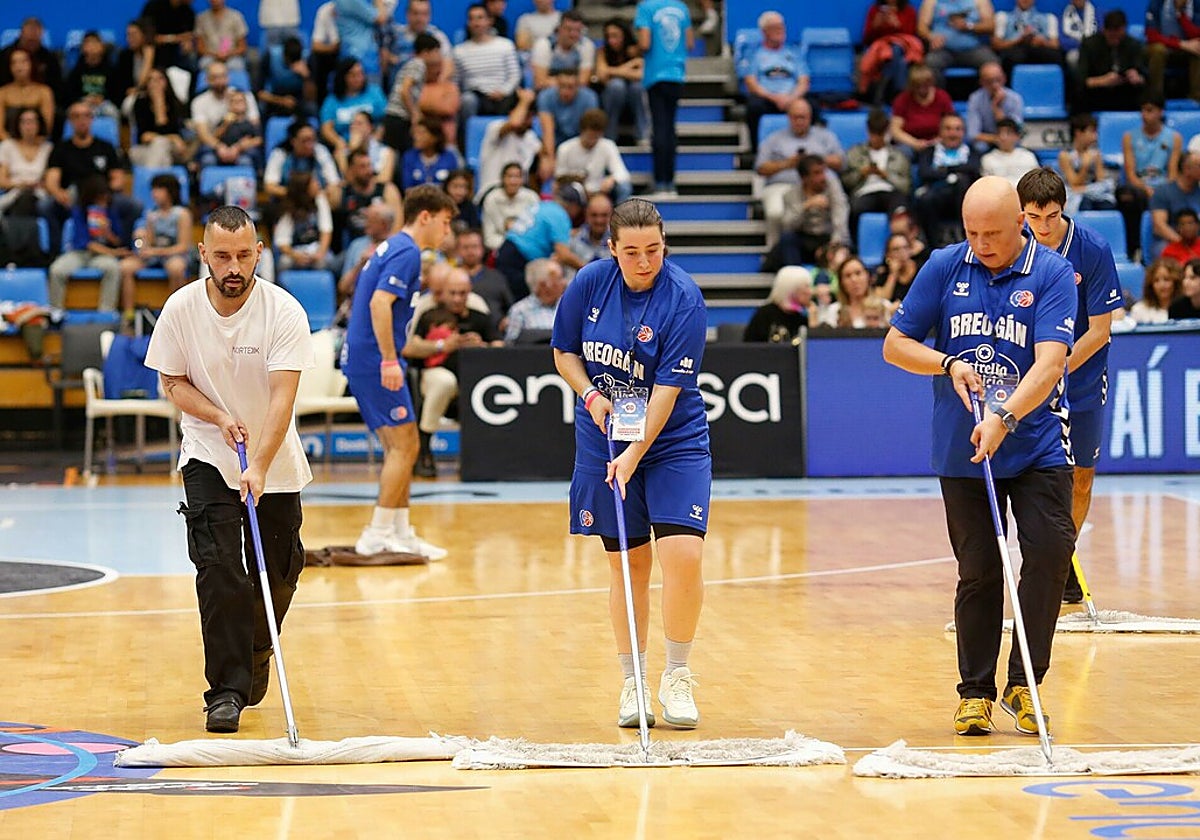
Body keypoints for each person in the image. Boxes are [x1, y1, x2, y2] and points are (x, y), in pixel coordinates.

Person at [883, 175, 1077, 739]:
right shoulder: (946, 265)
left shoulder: (1052, 274)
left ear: (1021, 221)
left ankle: (1024, 681)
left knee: (1048, 554)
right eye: (972, 232)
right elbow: (895, 344)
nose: (981, 244)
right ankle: (974, 692)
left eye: (992, 232)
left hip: (1036, 443)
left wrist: (1006, 417)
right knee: (980, 569)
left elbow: (1049, 363)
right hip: (963, 449)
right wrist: (946, 362)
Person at [145, 204, 313, 734]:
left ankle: (259, 647)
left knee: (280, 572)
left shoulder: (283, 311)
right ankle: (226, 691)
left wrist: (260, 465)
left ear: (259, 251)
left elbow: (283, 398)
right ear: (204, 255)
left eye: (244, 254)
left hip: (274, 456)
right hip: (207, 452)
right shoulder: (180, 309)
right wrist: (217, 416)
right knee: (219, 570)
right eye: (222, 256)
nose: (234, 266)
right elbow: (171, 383)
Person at [551, 197, 711, 731]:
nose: (646, 262)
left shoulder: (684, 298)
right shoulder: (589, 284)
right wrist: (591, 396)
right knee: (629, 563)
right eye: (634, 252)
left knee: (683, 554)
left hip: (672, 439)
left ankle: (679, 674)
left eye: (655, 250)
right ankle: (633, 679)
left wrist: (634, 453)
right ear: (612, 249)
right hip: (604, 432)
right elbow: (564, 352)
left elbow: (666, 394)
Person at [1017, 167, 1123, 605]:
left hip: (1077, 377)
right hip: (1025, 380)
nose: (1042, 227)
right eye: (1033, 218)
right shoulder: (1013, 249)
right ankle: (1043, 563)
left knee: (1081, 479)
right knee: (1030, 476)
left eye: (1051, 217)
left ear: (1065, 209)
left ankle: (1061, 560)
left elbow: (1100, 330)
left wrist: (1053, 368)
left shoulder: (1092, 249)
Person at [340, 184, 458, 557]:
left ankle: (401, 532)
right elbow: (379, 304)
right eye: (445, 222)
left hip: (368, 356)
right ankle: (376, 534)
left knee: (403, 447)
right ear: (425, 216)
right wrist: (390, 359)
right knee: (405, 446)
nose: (447, 232)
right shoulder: (407, 252)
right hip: (375, 359)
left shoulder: (393, 246)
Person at [404, 266, 502, 475]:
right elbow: (409, 347)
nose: (457, 299)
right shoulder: (430, 315)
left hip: (474, 376)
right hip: (435, 372)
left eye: (463, 293)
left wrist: (481, 347)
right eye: (452, 293)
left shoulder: (480, 316)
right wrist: (442, 345)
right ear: (442, 292)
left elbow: (499, 346)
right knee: (444, 381)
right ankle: (424, 446)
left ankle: (480, 456)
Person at [756, 98, 846, 250]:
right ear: (788, 117)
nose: (799, 121)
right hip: (782, 186)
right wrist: (787, 164)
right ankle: (775, 251)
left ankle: (837, 247)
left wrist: (814, 160)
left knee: (839, 204)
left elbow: (841, 162)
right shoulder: (774, 139)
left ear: (810, 117)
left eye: (802, 117)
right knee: (776, 212)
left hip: (820, 184)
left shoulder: (825, 137)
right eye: (795, 117)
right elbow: (760, 168)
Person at [119, 172, 195, 327]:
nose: (154, 194)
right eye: (153, 189)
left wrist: (156, 252)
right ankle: (129, 315)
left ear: (170, 191)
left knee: (176, 267)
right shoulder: (152, 215)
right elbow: (150, 244)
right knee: (125, 266)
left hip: (174, 255)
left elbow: (183, 246)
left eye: (158, 189)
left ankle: (176, 315)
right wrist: (142, 239)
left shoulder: (182, 214)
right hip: (155, 257)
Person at [495, 179, 589, 301]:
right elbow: (564, 255)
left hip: (506, 250)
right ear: (574, 206)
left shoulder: (543, 205)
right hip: (519, 260)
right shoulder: (561, 215)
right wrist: (587, 268)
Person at [48, 174, 130, 314]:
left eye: (105, 197)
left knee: (113, 268)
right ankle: (56, 312)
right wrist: (114, 253)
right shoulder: (79, 212)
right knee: (56, 270)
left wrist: (107, 233)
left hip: (102, 257)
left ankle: (106, 312)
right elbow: (87, 244)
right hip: (79, 254)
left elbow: (118, 241)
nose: (103, 201)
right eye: (99, 198)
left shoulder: (111, 211)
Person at [636, 0, 693, 196]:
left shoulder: (646, 8)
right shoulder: (682, 8)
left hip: (655, 76)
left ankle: (660, 182)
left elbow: (644, 42)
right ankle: (670, 182)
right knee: (670, 128)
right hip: (677, 74)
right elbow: (690, 43)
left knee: (659, 127)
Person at [738, 11, 811, 152]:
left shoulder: (794, 53)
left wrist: (791, 98)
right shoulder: (754, 55)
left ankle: (809, 149)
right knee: (753, 107)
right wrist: (774, 98)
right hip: (767, 99)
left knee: (812, 107)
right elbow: (751, 83)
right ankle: (757, 151)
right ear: (765, 32)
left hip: (792, 97)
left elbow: (804, 82)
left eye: (781, 27)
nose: (780, 31)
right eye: (775, 28)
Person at [913, 112, 983, 245]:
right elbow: (925, 173)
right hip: (936, 195)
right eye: (948, 129)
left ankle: (966, 240)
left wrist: (944, 170)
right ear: (940, 132)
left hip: (963, 197)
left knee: (962, 182)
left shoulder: (973, 152)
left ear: (963, 132)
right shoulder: (928, 152)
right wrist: (958, 170)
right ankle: (933, 246)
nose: (953, 133)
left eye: (958, 129)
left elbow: (973, 169)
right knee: (925, 199)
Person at [841, 107, 911, 239]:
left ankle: (901, 246)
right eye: (874, 133)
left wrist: (886, 176)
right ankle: (855, 247)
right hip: (864, 191)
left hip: (890, 191)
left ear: (887, 131)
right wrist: (861, 174)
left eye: (881, 133)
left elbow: (906, 186)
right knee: (855, 208)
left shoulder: (899, 155)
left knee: (901, 208)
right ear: (868, 131)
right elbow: (845, 181)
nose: (877, 137)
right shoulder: (854, 152)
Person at [773, 154, 851, 268]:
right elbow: (788, 225)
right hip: (805, 238)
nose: (823, 177)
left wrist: (832, 247)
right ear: (804, 178)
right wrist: (806, 206)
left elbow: (840, 220)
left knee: (843, 248)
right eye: (817, 173)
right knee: (787, 239)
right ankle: (796, 276)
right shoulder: (790, 195)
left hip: (828, 238)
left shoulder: (833, 188)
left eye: (823, 172)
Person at [453, 3, 521, 120]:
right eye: (472, 19)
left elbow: (514, 75)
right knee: (467, 100)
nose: (476, 23)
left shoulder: (505, 45)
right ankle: (466, 137)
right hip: (475, 96)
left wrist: (503, 92)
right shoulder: (459, 51)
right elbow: (457, 82)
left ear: (489, 21)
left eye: (480, 18)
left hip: (503, 95)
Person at [555, 109, 633, 205]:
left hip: (600, 191)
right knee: (568, 192)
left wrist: (612, 179)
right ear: (582, 131)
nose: (592, 141)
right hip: (575, 192)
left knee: (623, 187)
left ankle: (620, 218)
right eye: (590, 136)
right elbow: (559, 177)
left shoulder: (608, 145)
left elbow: (623, 173)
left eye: (596, 137)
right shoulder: (565, 148)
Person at [1076, 10, 1146, 113]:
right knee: (1079, 94)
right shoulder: (1089, 45)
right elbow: (1081, 80)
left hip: (1125, 94)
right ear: (1104, 30)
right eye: (1112, 36)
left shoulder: (1133, 45)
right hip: (1097, 94)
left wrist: (1137, 77)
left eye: (1119, 37)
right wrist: (1102, 81)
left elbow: (1143, 75)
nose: (1116, 41)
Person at [918, 0, 999, 86]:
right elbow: (921, 28)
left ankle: (986, 97)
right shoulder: (931, 1)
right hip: (943, 49)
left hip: (972, 49)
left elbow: (990, 26)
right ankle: (938, 98)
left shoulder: (979, 1)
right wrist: (931, 37)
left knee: (992, 63)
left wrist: (968, 26)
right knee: (930, 63)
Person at [859, 0, 924, 104]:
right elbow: (867, 39)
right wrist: (876, 26)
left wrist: (897, 24)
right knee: (897, 59)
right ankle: (900, 94)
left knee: (896, 51)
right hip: (880, 48)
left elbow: (911, 34)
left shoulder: (908, 11)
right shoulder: (874, 10)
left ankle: (883, 91)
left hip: (905, 46)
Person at [320, 58, 388, 155]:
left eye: (361, 73)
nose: (358, 78)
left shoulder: (374, 93)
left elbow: (385, 119)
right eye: (353, 75)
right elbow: (326, 128)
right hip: (344, 146)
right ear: (343, 77)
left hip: (371, 143)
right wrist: (338, 142)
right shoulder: (332, 100)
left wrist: (376, 137)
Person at [594, 18, 647, 144]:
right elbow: (601, 74)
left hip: (634, 100)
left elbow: (642, 75)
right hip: (612, 101)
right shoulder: (602, 52)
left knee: (637, 87)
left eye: (615, 36)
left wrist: (611, 71)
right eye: (608, 36)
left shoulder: (637, 51)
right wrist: (630, 66)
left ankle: (642, 136)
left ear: (625, 35)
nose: (611, 40)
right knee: (616, 86)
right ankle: (609, 137)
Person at [889, 62, 956, 157]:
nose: (922, 89)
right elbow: (895, 130)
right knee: (902, 153)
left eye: (925, 84)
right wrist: (915, 143)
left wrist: (936, 141)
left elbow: (951, 123)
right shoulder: (902, 99)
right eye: (918, 86)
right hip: (910, 144)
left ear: (931, 82)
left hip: (938, 142)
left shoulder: (942, 97)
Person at [274, 172, 337, 273]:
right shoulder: (289, 208)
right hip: (295, 251)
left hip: (316, 248)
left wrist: (320, 253)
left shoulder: (320, 200)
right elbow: (282, 242)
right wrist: (295, 255)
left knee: (327, 262)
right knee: (284, 263)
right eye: (313, 183)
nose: (317, 185)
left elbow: (326, 230)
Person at [130, 67, 190, 168]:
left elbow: (180, 137)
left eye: (160, 79)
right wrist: (172, 138)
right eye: (151, 79)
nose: (156, 83)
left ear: (167, 81)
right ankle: (161, 180)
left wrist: (160, 105)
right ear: (147, 84)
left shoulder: (176, 104)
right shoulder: (140, 103)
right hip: (147, 149)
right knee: (159, 148)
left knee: (161, 145)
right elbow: (144, 137)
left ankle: (151, 180)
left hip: (174, 150)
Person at [1058, 113, 1116, 215]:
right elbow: (1074, 183)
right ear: (1078, 133)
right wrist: (1085, 166)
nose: (1095, 136)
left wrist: (1085, 189)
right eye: (1092, 132)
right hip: (1073, 196)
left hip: (1093, 192)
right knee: (1085, 204)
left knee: (1107, 204)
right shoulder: (1065, 156)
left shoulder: (1096, 154)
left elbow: (1101, 180)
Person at [1148, 151, 1200, 262]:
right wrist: (1183, 244)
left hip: (1196, 241)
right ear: (1187, 169)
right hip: (1170, 240)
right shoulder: (1163, 192)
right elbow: (1159, 226)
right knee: (1162, 249)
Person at [456, 226, 511, 329]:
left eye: (474, 247)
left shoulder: (497, 277)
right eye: (465, 247)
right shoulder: (450, 277)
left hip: (495, 336)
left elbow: (509, 307)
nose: (470, 252)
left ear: (482, 249)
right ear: (458, 250)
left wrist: (506, 321)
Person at [1145, 0, 1200, 102]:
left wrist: (1180, 14)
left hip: (1187, 50)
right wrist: (1180, 44)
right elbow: (1151, 35)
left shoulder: (1196, 4)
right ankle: (1155, 99)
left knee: (1198, 48)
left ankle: (1196, 99)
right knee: (1157, 50)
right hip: (1165, 47)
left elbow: (1196, 35)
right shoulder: (1157, 3)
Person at [744, 264, 815, 342]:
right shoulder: (764, 315)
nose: (810, 292)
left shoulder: (801, 318)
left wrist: (814, 321)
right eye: (806, 287)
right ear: (791, 288)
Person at [0, 108, 51, 216]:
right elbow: (2, 181)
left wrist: (38, 185)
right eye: (24, 122)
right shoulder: (7, 146)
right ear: (18, 125)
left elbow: (50, 180)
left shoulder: (48, 148)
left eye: (32, 121)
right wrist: (21, 184)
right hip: (13, 192)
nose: (28, 126)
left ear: (39, 124)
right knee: (22, 199)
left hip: (39, 194)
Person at [990, 0, 1062, 76]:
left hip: (1040, 49)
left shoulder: (1049, 18)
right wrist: (1019, 40)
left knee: (1055, 56)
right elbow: (996, 45)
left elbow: (1055, 45)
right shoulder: (1003, 17)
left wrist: (1043, 42)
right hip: (1014, 50)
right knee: (1014, 57)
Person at [964, 61, 1023, 153]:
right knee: (979, 146)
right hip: (986, 142)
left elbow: (1016, 131)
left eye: (998, 80)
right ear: (981, 82)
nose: (995, 85)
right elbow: (973, 134)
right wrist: (996, 139)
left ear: (1004, 78)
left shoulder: (1015, 99)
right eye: (989, 81)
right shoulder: (975, 99)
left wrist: (996, 109)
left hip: (1009, 141)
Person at [480, 161, 541, 250]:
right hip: (499, 247)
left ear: (523, 180)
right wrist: (511, 246)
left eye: (517, 177)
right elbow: (489, 237)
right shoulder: (491, 198)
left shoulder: (532, 197)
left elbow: (537, 231)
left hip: (527, 247)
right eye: (509, 176)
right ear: (502, 178)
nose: (513, 181)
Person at [530, 9, 595, 91]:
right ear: (559, 29)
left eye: (578, 30)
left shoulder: (587, 45)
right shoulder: (544, 44)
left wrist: (554, 81)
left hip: (576, 91)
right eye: (569, 29)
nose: (573, 34)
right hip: (549, 91)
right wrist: (570, 82)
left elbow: (583, 82)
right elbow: (540, 82)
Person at [504, 257, 566, 343]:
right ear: (543, 285)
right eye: (559, 279)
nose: (564, 283)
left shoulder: (569, 308)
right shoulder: (520, 311)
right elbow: (510, 346)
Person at [62, 31, 121, 122]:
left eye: (95, 42)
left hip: (104, 103)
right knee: (75, 111)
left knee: (112, 112)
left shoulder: (111, 69)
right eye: (88, 42)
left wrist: (102, 99)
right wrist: (83, 100)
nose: (91, 46)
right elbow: (69, 94)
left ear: (102, 47)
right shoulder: (77, 71)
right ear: (82, 48)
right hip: (82, 103)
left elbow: (117, 93)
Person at [0, 49, 55, 143]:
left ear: (32, 64)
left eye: (23, 61)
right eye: (14, 63)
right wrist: (14, 147)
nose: (19, 66)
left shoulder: (44, 91)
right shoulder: (3, 93)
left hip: (38, 145)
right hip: (8, 145)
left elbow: (47, 127)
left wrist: (32, 145)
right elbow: (0, 130)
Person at [401, 117, 464, 191]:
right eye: (415, 133)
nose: (416, 137)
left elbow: (454, 186)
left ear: (435, 137)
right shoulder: (409, 157)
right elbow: (407, 188)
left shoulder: (449, 157)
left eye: (422, 133)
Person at [195, 0, 250, 72]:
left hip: (232, 57)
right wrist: (215, 55)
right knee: (204, 64)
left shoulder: (236, 16)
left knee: (236, 66)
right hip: (210, 56)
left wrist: (228, 54)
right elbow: (200, 48)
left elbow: (242, 47)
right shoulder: (201, 18)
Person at [981, 118, 1039, 186]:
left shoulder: (1028, 156)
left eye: (1008, 133)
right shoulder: (988, 159)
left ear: (1016, 136)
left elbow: (1037, 183)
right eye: (1000, 133)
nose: (1003, 137)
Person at [568, 192, 615, 267]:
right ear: (586, 215)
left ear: (611, 215)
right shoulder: (573, 239)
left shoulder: (618, 241)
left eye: (604, 215)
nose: (599, 220)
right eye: (594, 215)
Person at [1130, 257, 1182, 323]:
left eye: (1166, 279)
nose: (1162, 285)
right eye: (1156, 280)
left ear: (1176, 282)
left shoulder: (1187, 309)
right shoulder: (1139, 310)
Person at [874, 232, 920, 302]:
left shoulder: (922, 269)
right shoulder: (884, 275)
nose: (902, 252)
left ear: (910, 250)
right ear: (888, 255)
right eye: (896, 249)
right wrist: (893, 274)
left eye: (905, 247)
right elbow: (882, 300)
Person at [1060, 0, 1097, 70]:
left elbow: (1101, 36)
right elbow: (1062, 41)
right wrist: (1083, 44)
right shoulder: (1064, 13)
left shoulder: (1096, 13)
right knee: (1072, 57)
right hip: (1076, 50)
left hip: (1095, 49)